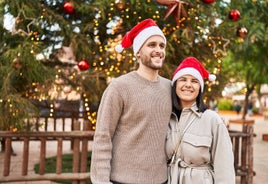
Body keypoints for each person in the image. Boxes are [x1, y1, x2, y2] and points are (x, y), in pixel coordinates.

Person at [90, 19, 172, 184]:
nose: (158, 50)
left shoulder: (170, 87)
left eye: (161, 46)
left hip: (161, 180)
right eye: (151, 45)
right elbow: (103, 137)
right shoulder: (119, 87)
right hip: (122, 181)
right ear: (138, 52)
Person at [165, 57, 235, 184]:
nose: (188, 84)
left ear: (200, 88)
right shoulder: (167, 117)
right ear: (175, 85)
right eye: (183, 79)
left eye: (194, 81)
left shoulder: (212, 120)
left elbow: (224, 167)